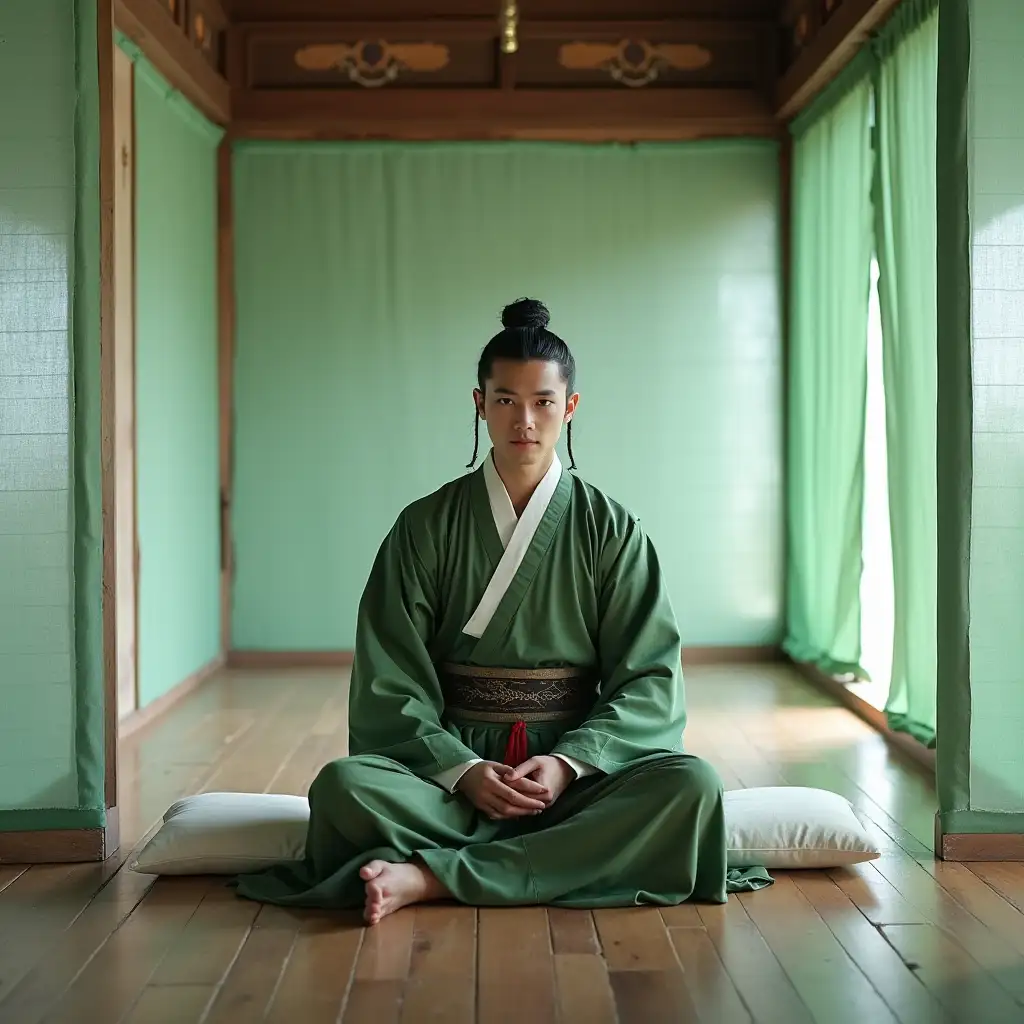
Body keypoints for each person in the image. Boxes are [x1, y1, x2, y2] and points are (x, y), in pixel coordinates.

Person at [234, 298, 772, 923]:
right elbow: (390, 680)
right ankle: (552, 863)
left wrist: (570, 763)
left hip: (572, 780)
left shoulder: (612, 530)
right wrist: (462, 771)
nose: (525, 420)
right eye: (506, 400)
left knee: (691, 785)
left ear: (569, 408)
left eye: (544, 401)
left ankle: (431, 878)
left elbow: (650, 678)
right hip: (451, 776)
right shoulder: (424, 527)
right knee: (343, 788)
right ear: (480, 403)